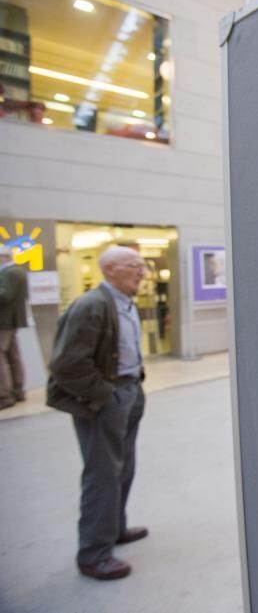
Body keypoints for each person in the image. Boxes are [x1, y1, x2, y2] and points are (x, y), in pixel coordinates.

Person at [47, 246, 149, 580]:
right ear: (111, 270)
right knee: (103, 475)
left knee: (124, 468)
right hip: (107, 399)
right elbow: (66, 365)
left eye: (141, 264)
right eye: (134, 265)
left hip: (129, 392)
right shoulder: (91, 306)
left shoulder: (124, 302)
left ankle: (114, 528)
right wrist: (107, 397)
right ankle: (94, 554)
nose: (142, 271)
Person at [0, 245, 29, 409]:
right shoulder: (18, 271)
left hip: (4, 320)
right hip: (11, 320)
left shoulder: (9, 273)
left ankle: (4, 394)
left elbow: (4, 295)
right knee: (13, 355)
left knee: (2, 356)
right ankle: (17, 389)